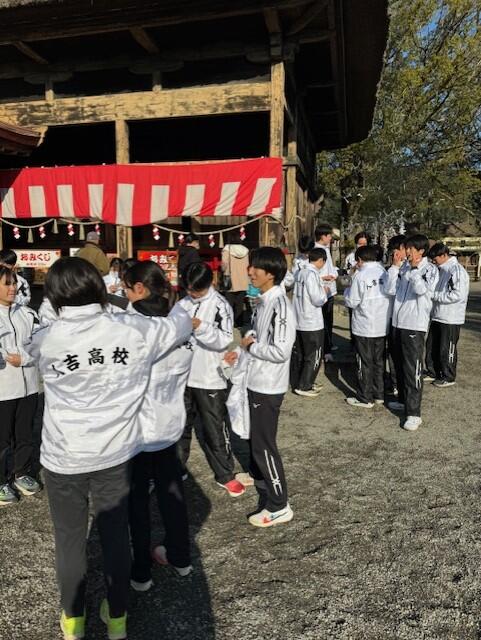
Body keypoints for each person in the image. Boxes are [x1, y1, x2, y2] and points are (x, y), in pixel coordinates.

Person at [22, 257, 191, 640]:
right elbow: (177, 325)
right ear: (99, 287)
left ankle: (73, 618)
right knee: (115, 534)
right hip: (115, 453)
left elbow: (29, 348)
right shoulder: (132, 329)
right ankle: (117, 616)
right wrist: (178, 302)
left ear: (55, 295)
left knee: (69, 539)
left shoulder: (48, 338)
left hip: (64, 455)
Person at [122, 261, 194, 592]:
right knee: (172, 495)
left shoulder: (133, 329)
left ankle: (140, 572)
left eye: (126, 289)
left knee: (136, 502)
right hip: (169, 426)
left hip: (138, 431)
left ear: (139, 289)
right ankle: (181, 557)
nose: (124, 294)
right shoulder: (180, 323)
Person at [226, 247, 296, 528]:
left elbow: (280, 350)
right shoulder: (262, 301)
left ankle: (279, 504)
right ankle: (259, 477)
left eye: (256, 267)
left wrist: (251, 347)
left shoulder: (280, 305)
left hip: (268, 384)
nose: (250, 271)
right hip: (256, 378)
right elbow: (256, 334)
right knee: (255, 438)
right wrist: (242, 349)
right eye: (250, 266)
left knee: (264, 444)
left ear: (271, 273)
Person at [177, 262, 245, 497]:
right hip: (184, 374)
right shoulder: (182, 304)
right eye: (188, 289)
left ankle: (225, 473)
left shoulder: (220, 305)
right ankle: (176, 468)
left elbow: (224, 339)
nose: (192, 293)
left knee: (214, 427)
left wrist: (201, 327)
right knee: (180, 426)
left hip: (209, 376)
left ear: (209, 283)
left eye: (196, 290)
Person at [385, 235, 439, 431]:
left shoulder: (430, 269)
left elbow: (421, 290)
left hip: (414, 325)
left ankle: (414, 413)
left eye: (410, 248)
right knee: (398, 365)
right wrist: (394, 268)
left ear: (421, 251)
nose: (407, 251)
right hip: (397, 323)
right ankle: (403, 401)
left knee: (412, 369)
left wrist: (415, 270)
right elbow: (390, 290)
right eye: (406, 248)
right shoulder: (404, 267)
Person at [0, 265, 41, 506]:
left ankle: (21, 473)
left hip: (29, 387)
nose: (13, 287)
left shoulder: (27, 313)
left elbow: (42, 344)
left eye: (14, 282)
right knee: (2, 438)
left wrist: (24, 359)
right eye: (7, 283)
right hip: (3, 390)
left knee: (25, 434)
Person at [344, 245, 391, 408]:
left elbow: (352, 301)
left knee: (364, 361)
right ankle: (379, 394)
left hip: (364, 325)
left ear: (359, 260)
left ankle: (365, 397)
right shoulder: (384, 272)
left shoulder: (360, 275)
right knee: (379, 361)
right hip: (382, 324)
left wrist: (346, 290)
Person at [425, 243, 469, 388]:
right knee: (432, 346)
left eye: (435, 258)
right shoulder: (442, 270)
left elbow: (458, 294)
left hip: (451, 317)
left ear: (444, 255)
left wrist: (435, 296)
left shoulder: (457, 271)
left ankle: (448, 376)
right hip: (437, 315)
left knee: (447, 348)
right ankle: (432, 371)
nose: (433, 261)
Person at [292, 247, 328, 398]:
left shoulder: (300, 272)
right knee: (314, 355)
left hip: (299, 318)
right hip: (311, 321)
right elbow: (317, 299)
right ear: (321, 260)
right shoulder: (312, 274)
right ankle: (304, 385)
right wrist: (325, 292)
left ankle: (303, 381)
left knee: (303, 354)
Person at [385, 235, 407, 395]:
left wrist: (394, 267)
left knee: (402, 355)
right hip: (393, 317)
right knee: (393, 354)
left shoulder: (406, 268)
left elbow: (391, 290)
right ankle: (395, 384)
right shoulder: (393, 268)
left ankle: (400, 385)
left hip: (405, 319)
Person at [314, 224, 338, 361]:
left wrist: (334, 273)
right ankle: (325, 349)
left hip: (330, 289)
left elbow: (330, 267)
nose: (330, 239)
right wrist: (324, 277)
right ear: (323, 236)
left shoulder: (326, 249)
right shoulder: (315, 250)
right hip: (322, 290)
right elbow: (313, 271)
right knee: (323, 321)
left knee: (328, 320)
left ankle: (329, 344)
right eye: (329, 236)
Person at [221, 239, 250, 328]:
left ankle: (229, 322)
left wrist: (222, 271)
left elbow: (224, 265)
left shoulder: (227, 249)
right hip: (243, 279)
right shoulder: (245, 250)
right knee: (240, 303)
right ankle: (239, 323)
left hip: (231, 280)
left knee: (228, 303)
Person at [177, 233, 201, 298]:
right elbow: (196, 267)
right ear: (191, 242)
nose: (198, 244)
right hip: (191, 282)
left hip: (182, 281)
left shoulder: (181, 251)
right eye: (196, 242)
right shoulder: (193, 251)